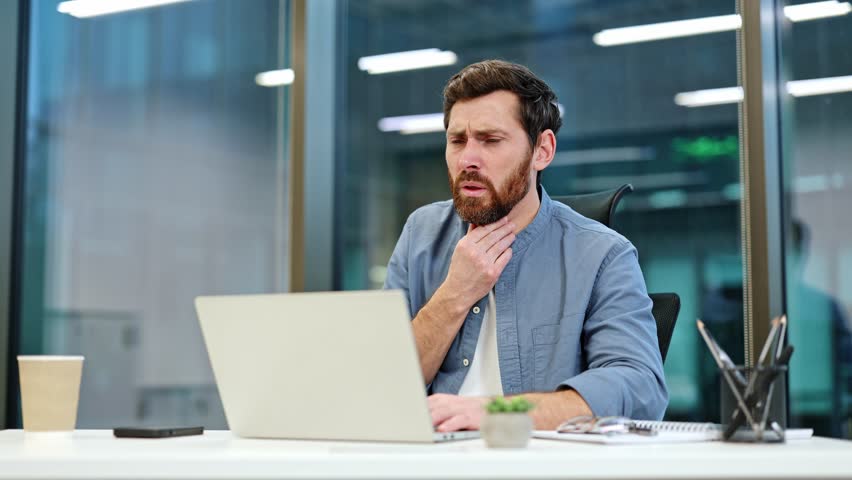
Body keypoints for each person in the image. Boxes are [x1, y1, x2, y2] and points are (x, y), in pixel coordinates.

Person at [383, 60, 667, 432]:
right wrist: (454, 295)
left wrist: (500, 413)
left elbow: (640, 388)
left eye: (490, 140)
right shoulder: (421, 234)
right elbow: (383, 386)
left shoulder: (601, 254)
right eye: (457, 140)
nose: (467, 159)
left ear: (542, 151)